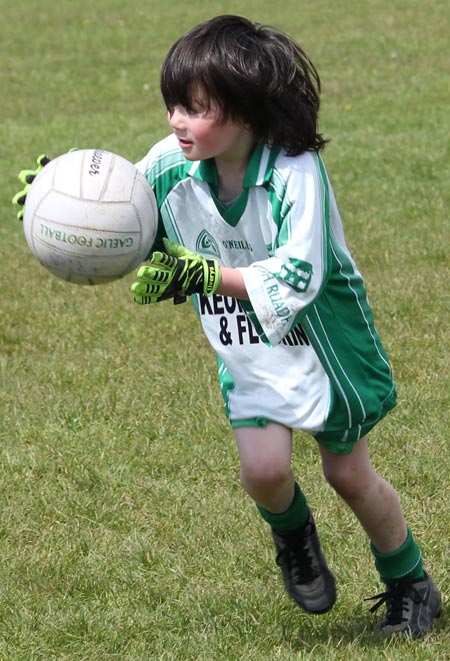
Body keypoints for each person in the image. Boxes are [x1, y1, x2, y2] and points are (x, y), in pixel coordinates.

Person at [13, 14, 441, 638]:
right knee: (263, 472)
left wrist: (203, 275)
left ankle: (411, 584)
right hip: (246, 339)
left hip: (323, 340)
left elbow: (299, 274)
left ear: (247, 112)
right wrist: (64, 207)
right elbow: (129, 217)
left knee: (346, 473)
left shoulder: (295, 170)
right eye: (172, 106)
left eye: (194, 108)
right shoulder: (166, 164)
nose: (176, 122)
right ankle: (294, 535)